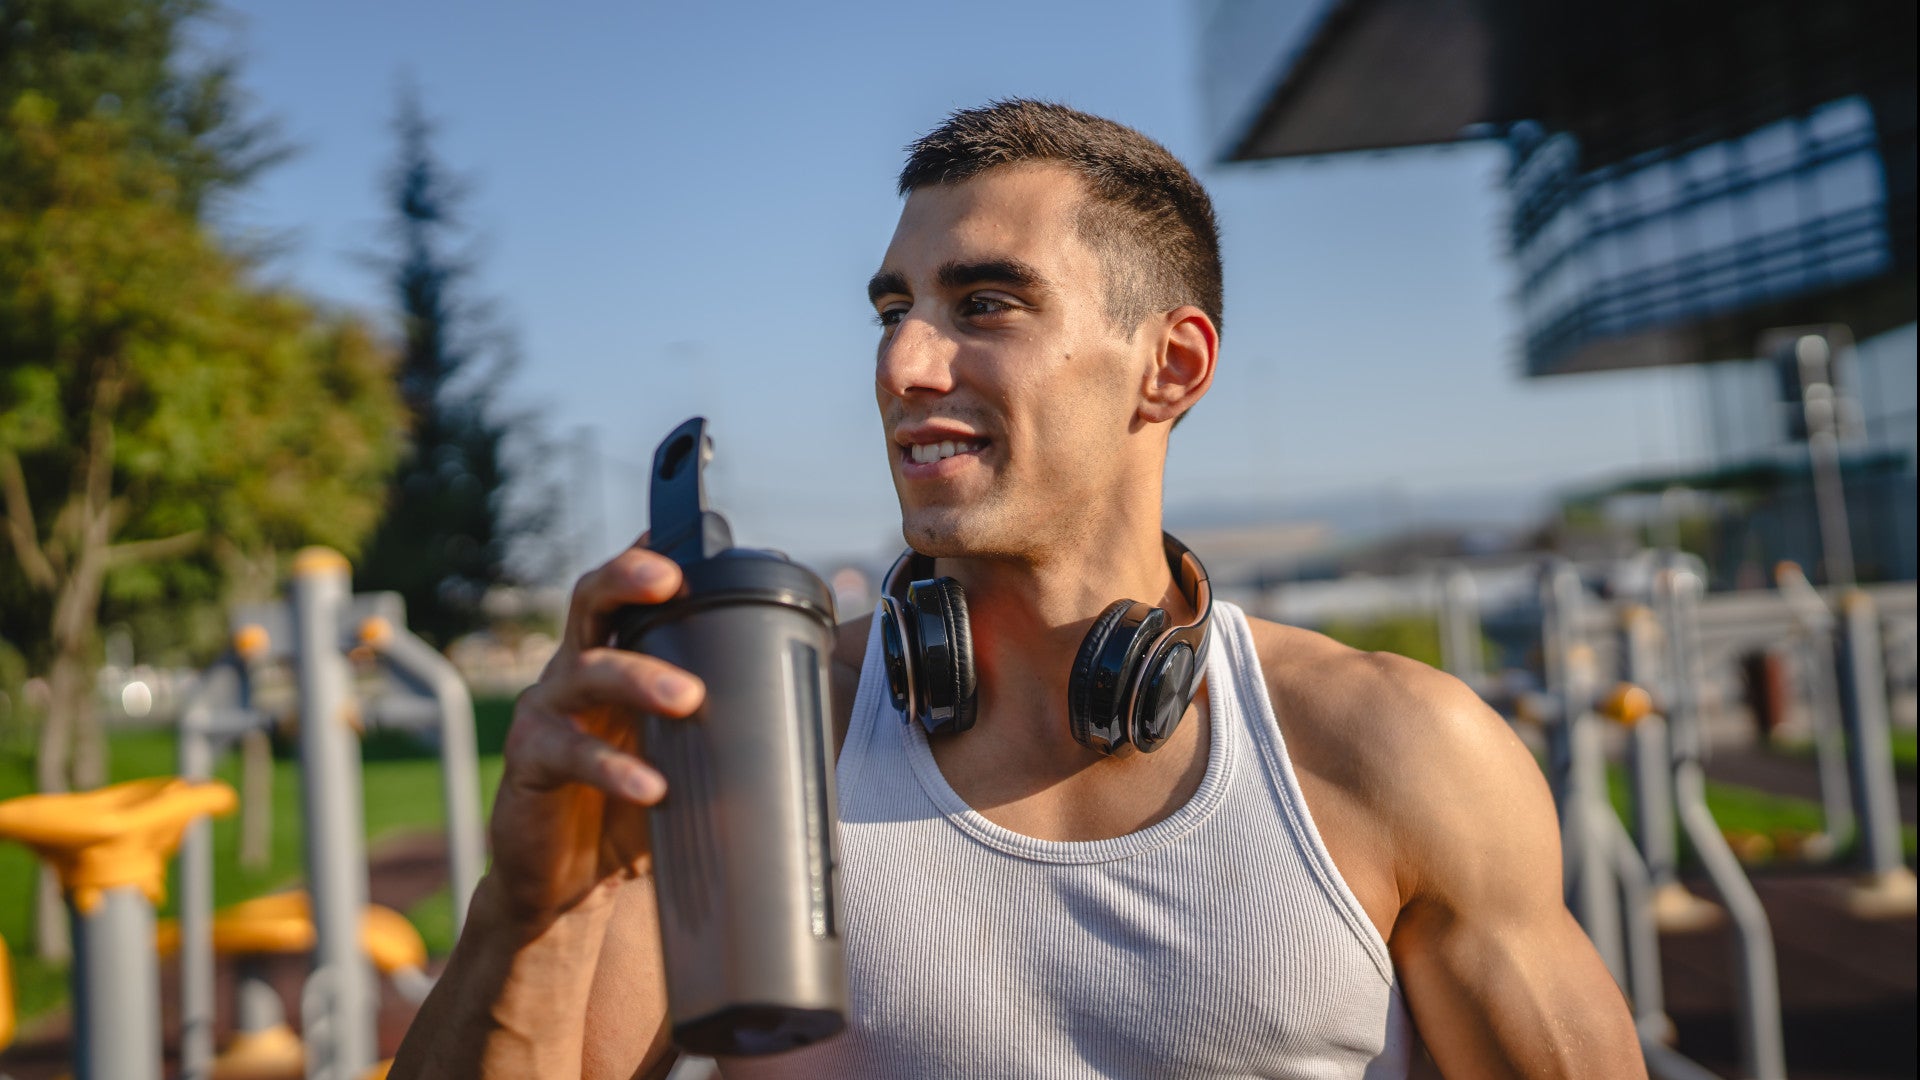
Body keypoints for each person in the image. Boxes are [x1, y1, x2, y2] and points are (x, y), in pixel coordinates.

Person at [392, 100, 1644, 1079]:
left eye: (983, 302)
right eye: (893, 309)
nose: (903, 362)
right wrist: (525, 908)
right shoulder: (761, 739)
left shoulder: (1401, 754)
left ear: (1172, 365)